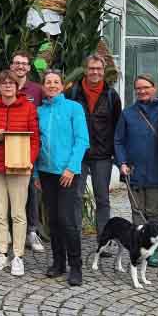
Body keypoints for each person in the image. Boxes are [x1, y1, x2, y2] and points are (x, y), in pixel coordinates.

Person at [0, 70, 40, 276]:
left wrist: (28, 161)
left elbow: (35, 140)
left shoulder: (29, 108)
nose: (7, 86)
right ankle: (3, 252)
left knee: (19, 213)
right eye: (3, 83)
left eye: (11, 83)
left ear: (17, 86)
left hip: (20, 168)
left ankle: (18, 256)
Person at [36, 69, 90, 286]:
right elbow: (36, 144)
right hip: (46, 173)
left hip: (68, 173)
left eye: (55, 82)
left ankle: (76, 266)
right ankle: (58, 263)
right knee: (54, 221)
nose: (51, 85)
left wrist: (71, 167)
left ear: (62, 85)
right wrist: (37, 173)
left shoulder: (73, 108)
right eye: (48, 82)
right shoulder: (39, 111)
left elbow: (82, 140)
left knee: (68, 221)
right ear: (43, 86)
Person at [0, 51, 45, 252]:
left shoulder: (36, 91)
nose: (20, 66)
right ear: (11, 67)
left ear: (29, 68)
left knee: (29, 194)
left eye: (24, 63)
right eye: (17, 63)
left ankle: (31, 231)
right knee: (1, 203)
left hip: (25, 156)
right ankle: (4, 239)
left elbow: (41, 122)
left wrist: (30, 157)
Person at [65, 53, 121, 244]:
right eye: (91, 68)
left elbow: (116, 127)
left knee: (103, 199)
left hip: (102, 155)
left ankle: (103, 239)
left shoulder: (112, 96)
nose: (95, 72)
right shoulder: (72, 93)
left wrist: (117, 155)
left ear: (103, 71)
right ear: (85, 70)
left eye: (98, 69)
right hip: (78, 154)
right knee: (76, 197)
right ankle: (74, 237)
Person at [114, 73, 158, 267]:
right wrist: (122, 163)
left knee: (154, 212)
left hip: (157, 171)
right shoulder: (127, 113)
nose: (142, 91)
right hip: (133, 171)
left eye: (146, 87)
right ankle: (139, 246)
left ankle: (154, 250)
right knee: (137, 212)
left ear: (154, 88)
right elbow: (118, 141)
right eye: (138, 89)